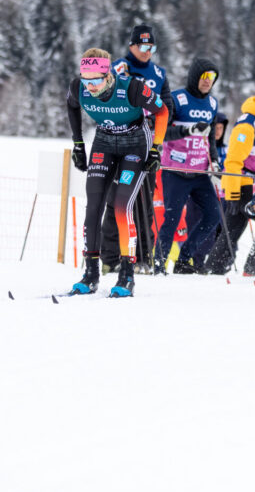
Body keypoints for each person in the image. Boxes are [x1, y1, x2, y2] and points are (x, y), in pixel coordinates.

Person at [67, 47, 169, 297]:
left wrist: (156, 149)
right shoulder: (78, 88)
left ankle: (126, 275)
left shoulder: (131, 88)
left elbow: (163, 110)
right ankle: (91, 274)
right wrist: (78, 144)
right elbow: (72, 107)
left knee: (123, 206)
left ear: (108, 75)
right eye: (86, 79)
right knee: (93, 206)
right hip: (104, 142)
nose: (90, 86)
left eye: (96, 80)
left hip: (135, 145)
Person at [100, 24, 174, 273]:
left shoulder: (159, 73)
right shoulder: (120, 67)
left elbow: (168, 107)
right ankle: (110, 260)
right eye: (143, 46)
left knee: (145, 200)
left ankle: (143, 257)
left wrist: (156, 128)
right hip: (119, 141)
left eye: (151, 46)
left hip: (147, 144)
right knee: (116, 200)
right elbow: (106, 98)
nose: (147, 51)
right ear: (132, 45)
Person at [205, 78, 255, 276]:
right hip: (241, 186)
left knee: (233, 227)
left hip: (254, 185)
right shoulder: (247, 125)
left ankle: (213, 267)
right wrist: (231, 194)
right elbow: (232, 162)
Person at [157, 57, 222, 275]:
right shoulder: (177, 99)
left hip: (199, 171)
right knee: (172, 219)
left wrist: (215, 161)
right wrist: (189, 130)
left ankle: (185, 260)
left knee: (213, 215)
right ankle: (159, 263)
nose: (207, 81)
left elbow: (211, 137)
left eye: (212, 78)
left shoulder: (212, 104)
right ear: (195, 76)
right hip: (175, 170)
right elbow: (163, 133)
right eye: (204, 76)